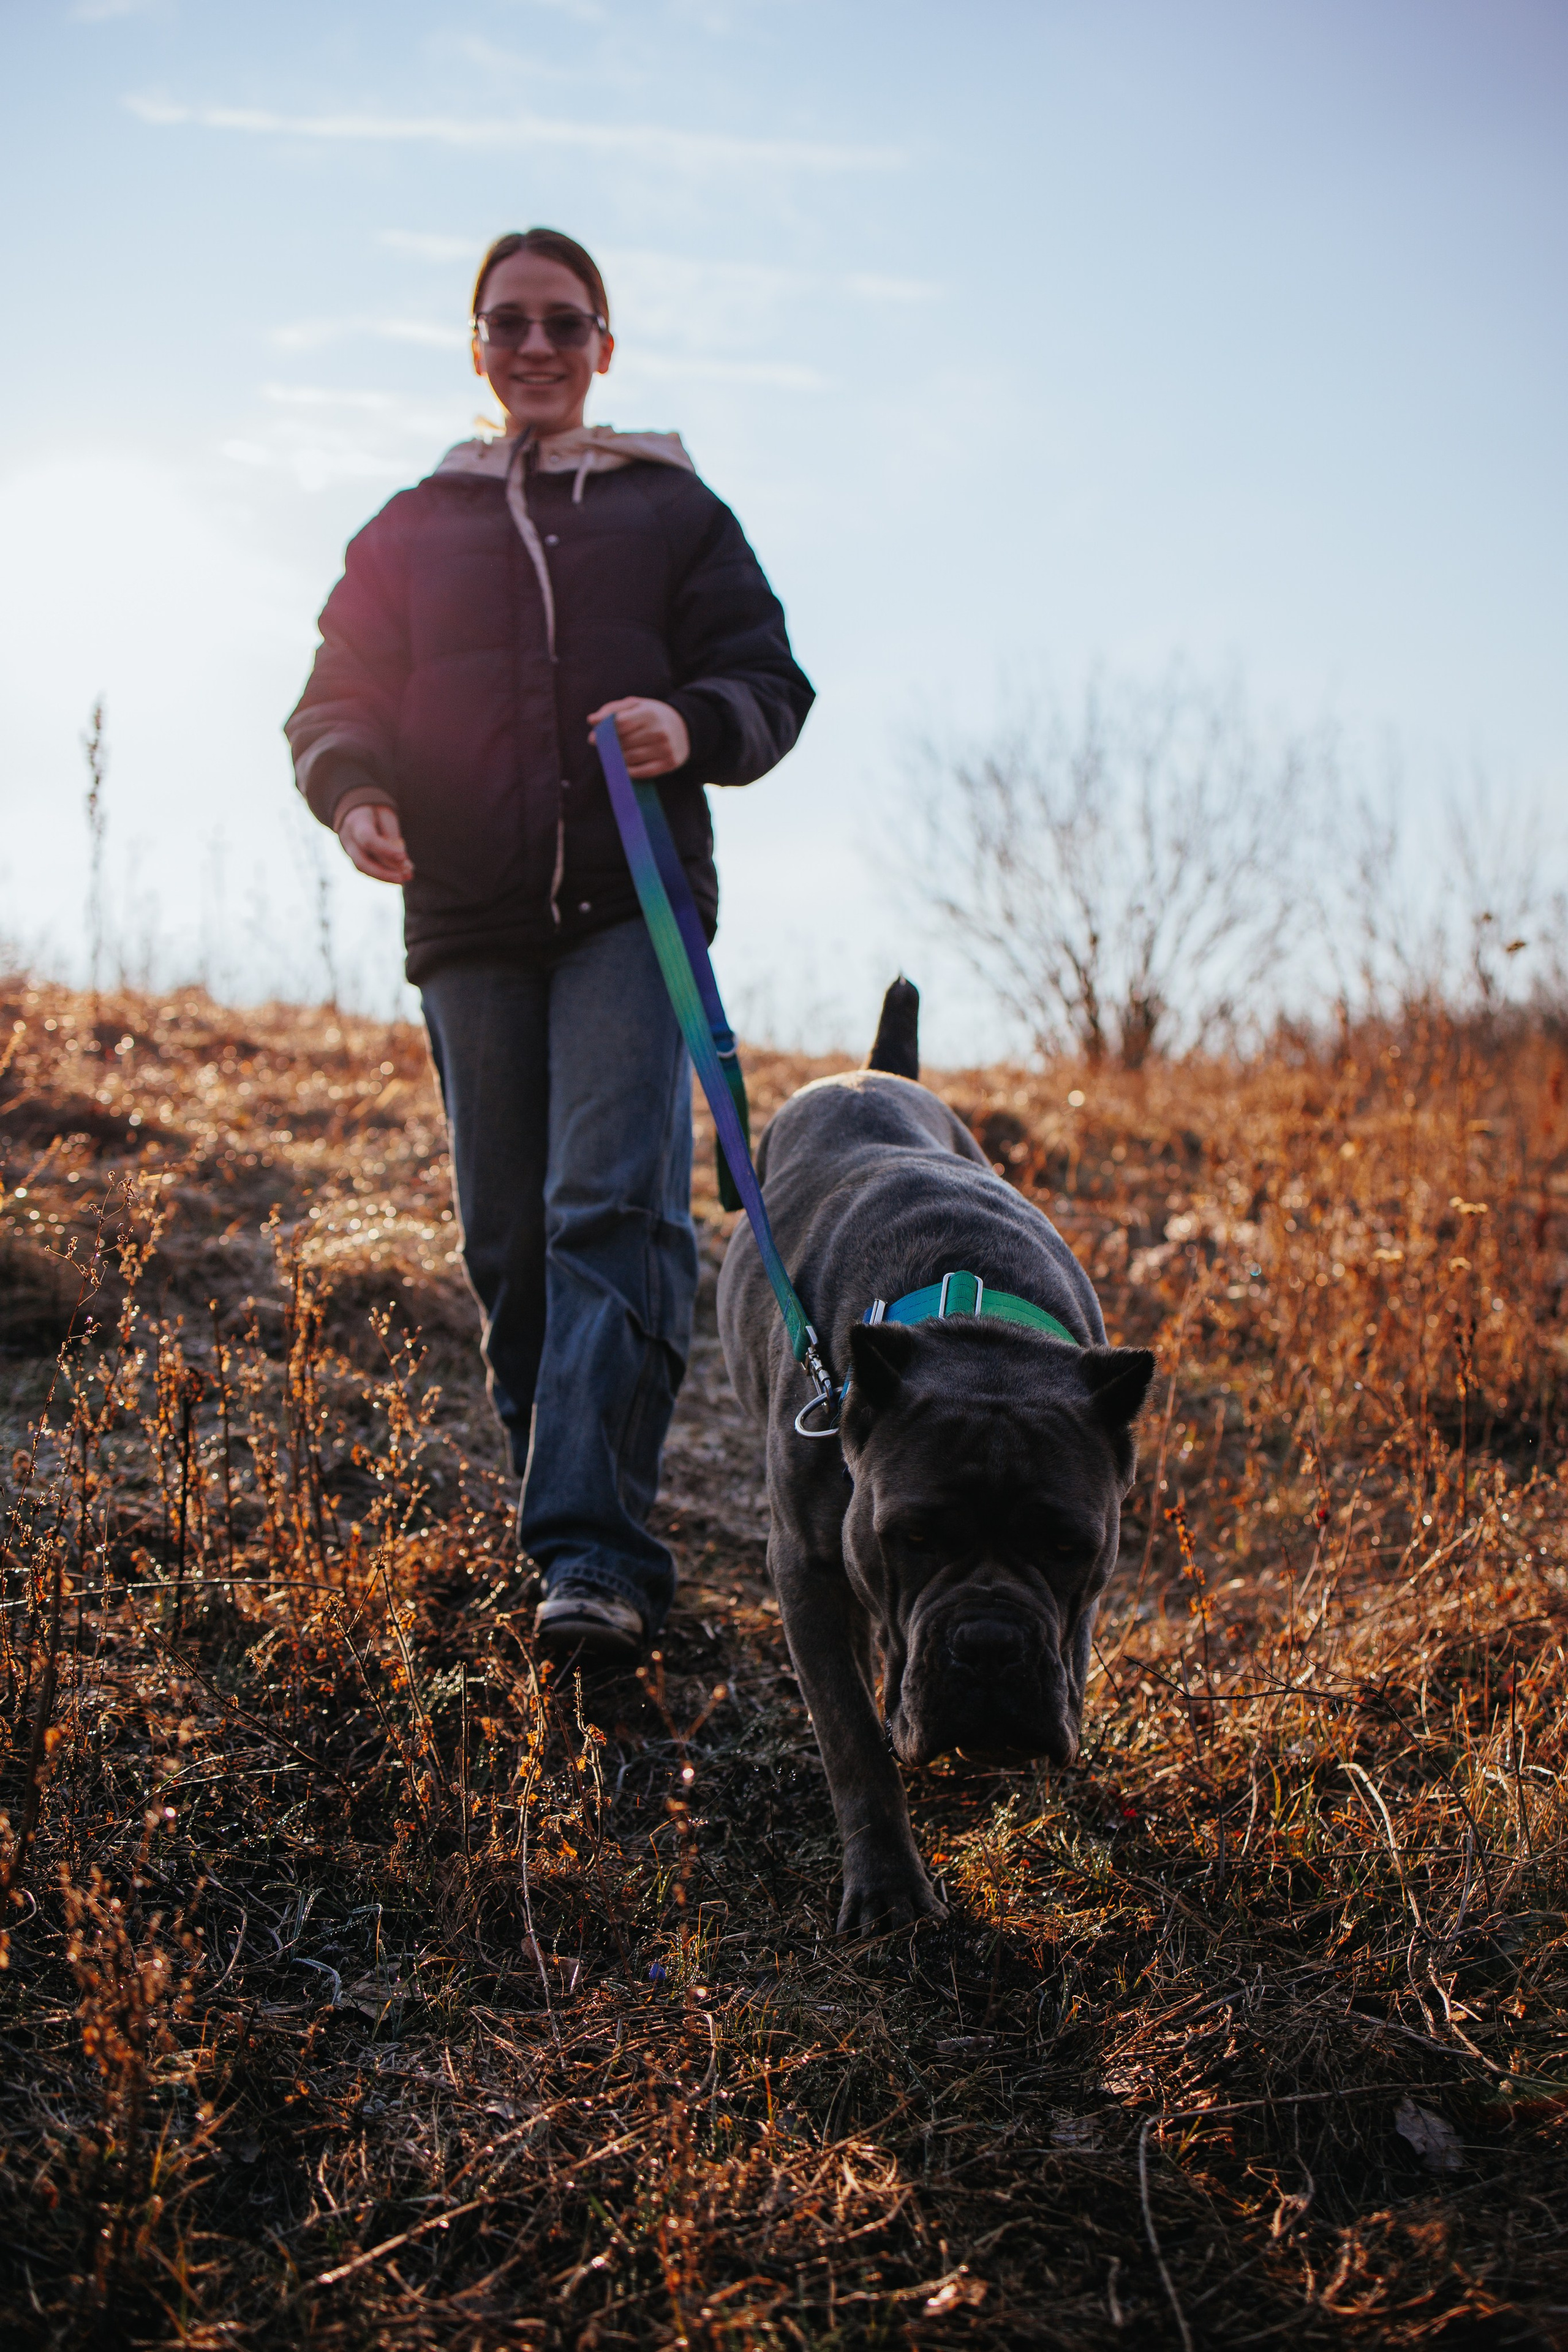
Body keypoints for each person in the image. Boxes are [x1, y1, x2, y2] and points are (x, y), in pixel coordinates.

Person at [285, 227, 813, 1662]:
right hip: (466, 921)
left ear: (603, 348)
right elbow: (335, 695)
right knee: (509, 1242)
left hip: (627, 918)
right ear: (474, 345)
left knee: (608, 1212)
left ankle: (593, 1554)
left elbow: (767, 680)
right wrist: (357, 792)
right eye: (507, 324)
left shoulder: (673, 515)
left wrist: (690, 723)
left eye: (563, 325)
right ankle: (563, 1514)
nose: (534, 347)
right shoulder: (411, 524)